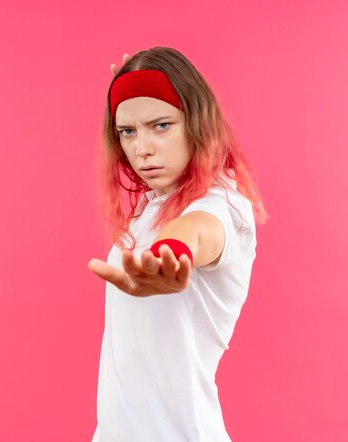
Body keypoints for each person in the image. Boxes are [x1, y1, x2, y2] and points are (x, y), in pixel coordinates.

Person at [87, 47, 269, 442]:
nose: (142, 148)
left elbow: (198, 230)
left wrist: (171, 255)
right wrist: (133, 87)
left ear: (197, 121)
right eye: (128, 131)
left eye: (162, 125)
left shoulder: (224, 204)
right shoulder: (150, 207)